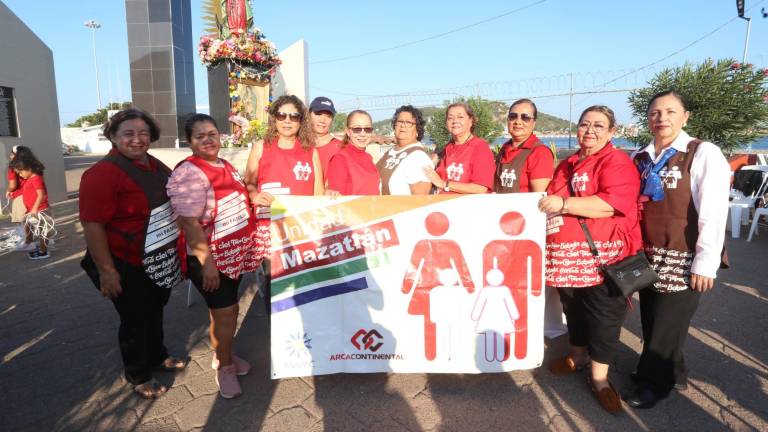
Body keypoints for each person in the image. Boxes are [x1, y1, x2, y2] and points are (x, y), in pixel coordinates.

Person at [626, 91, 730, 409]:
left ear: (685, 116)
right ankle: (675, 371)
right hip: (647, 252)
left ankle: (653, 382)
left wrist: (705, 261)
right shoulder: (639, 157)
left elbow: (713, 210)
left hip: (683, 252)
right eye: (655, 113)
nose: (662, 119)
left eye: (671, 112)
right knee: (652, 316)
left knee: (668, 321)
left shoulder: (702, 152)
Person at [538, 105, 642, 414]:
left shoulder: (617, 162)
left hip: (604, 261)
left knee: (604, 318)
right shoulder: (568, 163)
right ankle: (577, 355)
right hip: (567, 261)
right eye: (584, 124)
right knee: (575, 310)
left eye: (599, 125)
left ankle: (600, 379)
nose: (590, 130)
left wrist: (565, 203)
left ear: (612, 132)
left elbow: (610, 205)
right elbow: (548, 200)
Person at [79, 109, 186, 399]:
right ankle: (138, 373)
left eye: (143, 133)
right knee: (135, 318)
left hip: (156, 258)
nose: (137, 139)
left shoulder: (154, 164)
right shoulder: (102, 174)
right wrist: (107, 271)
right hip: (125, 262)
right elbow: (92, 224)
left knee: (155, 309)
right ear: (113, 137)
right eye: (128, 133)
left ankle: (157, 355)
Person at [168, 114, 263, 399]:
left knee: (223, 311)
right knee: (226, 312)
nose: (208, 140)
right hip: (210, 258)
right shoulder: (188, 172)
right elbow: (189, 223)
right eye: (200, 136)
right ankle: (224, 366)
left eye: (212, 133)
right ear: (189, 142)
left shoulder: (225, 165)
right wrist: (207, 264)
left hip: (232, 255)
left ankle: (223, 355)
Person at [423, 102, 495, 194]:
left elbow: (480, 188)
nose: (454, 121)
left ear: (471, 121)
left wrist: (444, 184)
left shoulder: (480, 147)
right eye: (450, 118)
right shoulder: (448, 147)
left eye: (460, 117)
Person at [495, 99, 554, 193]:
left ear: (534, 123)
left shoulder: (540, 153)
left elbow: (538, 197)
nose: (518, 122)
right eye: (513, 116)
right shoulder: (504, 149)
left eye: (525, 117)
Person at [376, 105, 433, 195]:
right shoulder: (390, 152)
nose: (403, 125)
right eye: (399, 121)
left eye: (409, 123)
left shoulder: (419, 157)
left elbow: (420, 198)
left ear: (418, 130)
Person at [326, 110, 381, 195]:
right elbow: (337, 201)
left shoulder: (368, 157)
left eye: (367, 129)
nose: (363, 134)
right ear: (348, 131)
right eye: (357, 129)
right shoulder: (340, 159)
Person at [11, 155, 51, 259]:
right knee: (30, 226)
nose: (20, 175)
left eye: (20, 172)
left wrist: (34, 208)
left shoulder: (36, 178)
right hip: (33, 210)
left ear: (28, 168)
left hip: (40, 209)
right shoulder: (30, 179)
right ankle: (39, 247)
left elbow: (41, 194)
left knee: (43, 231)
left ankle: (43, 251)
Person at [5, 146, 37, 250]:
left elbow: (13, 185)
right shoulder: (33, 164)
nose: (10, 156)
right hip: (34, 193)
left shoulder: (13, 166)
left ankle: (28, 241)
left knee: (25, 220)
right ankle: (38, 240)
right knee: (33, 219)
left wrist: (9, 190)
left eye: (11, 154)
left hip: (21, 196)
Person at [308, 96, 342, 176]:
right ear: (308, 115)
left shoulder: (341, 148)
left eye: (328, 116)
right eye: (318, 114)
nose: (323, 120)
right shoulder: (298, 144)